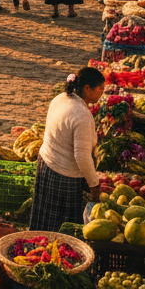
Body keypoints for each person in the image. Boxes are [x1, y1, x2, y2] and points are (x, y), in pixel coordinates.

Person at [28, 67, 104, 230]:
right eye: (100, 89)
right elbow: (82, 156)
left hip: (46, 163)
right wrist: (94, 185)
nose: (102, 93)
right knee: (62, 226)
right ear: (87, 88)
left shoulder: (61, 98)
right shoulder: (81, 115)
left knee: (45, 219)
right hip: (63, 174)